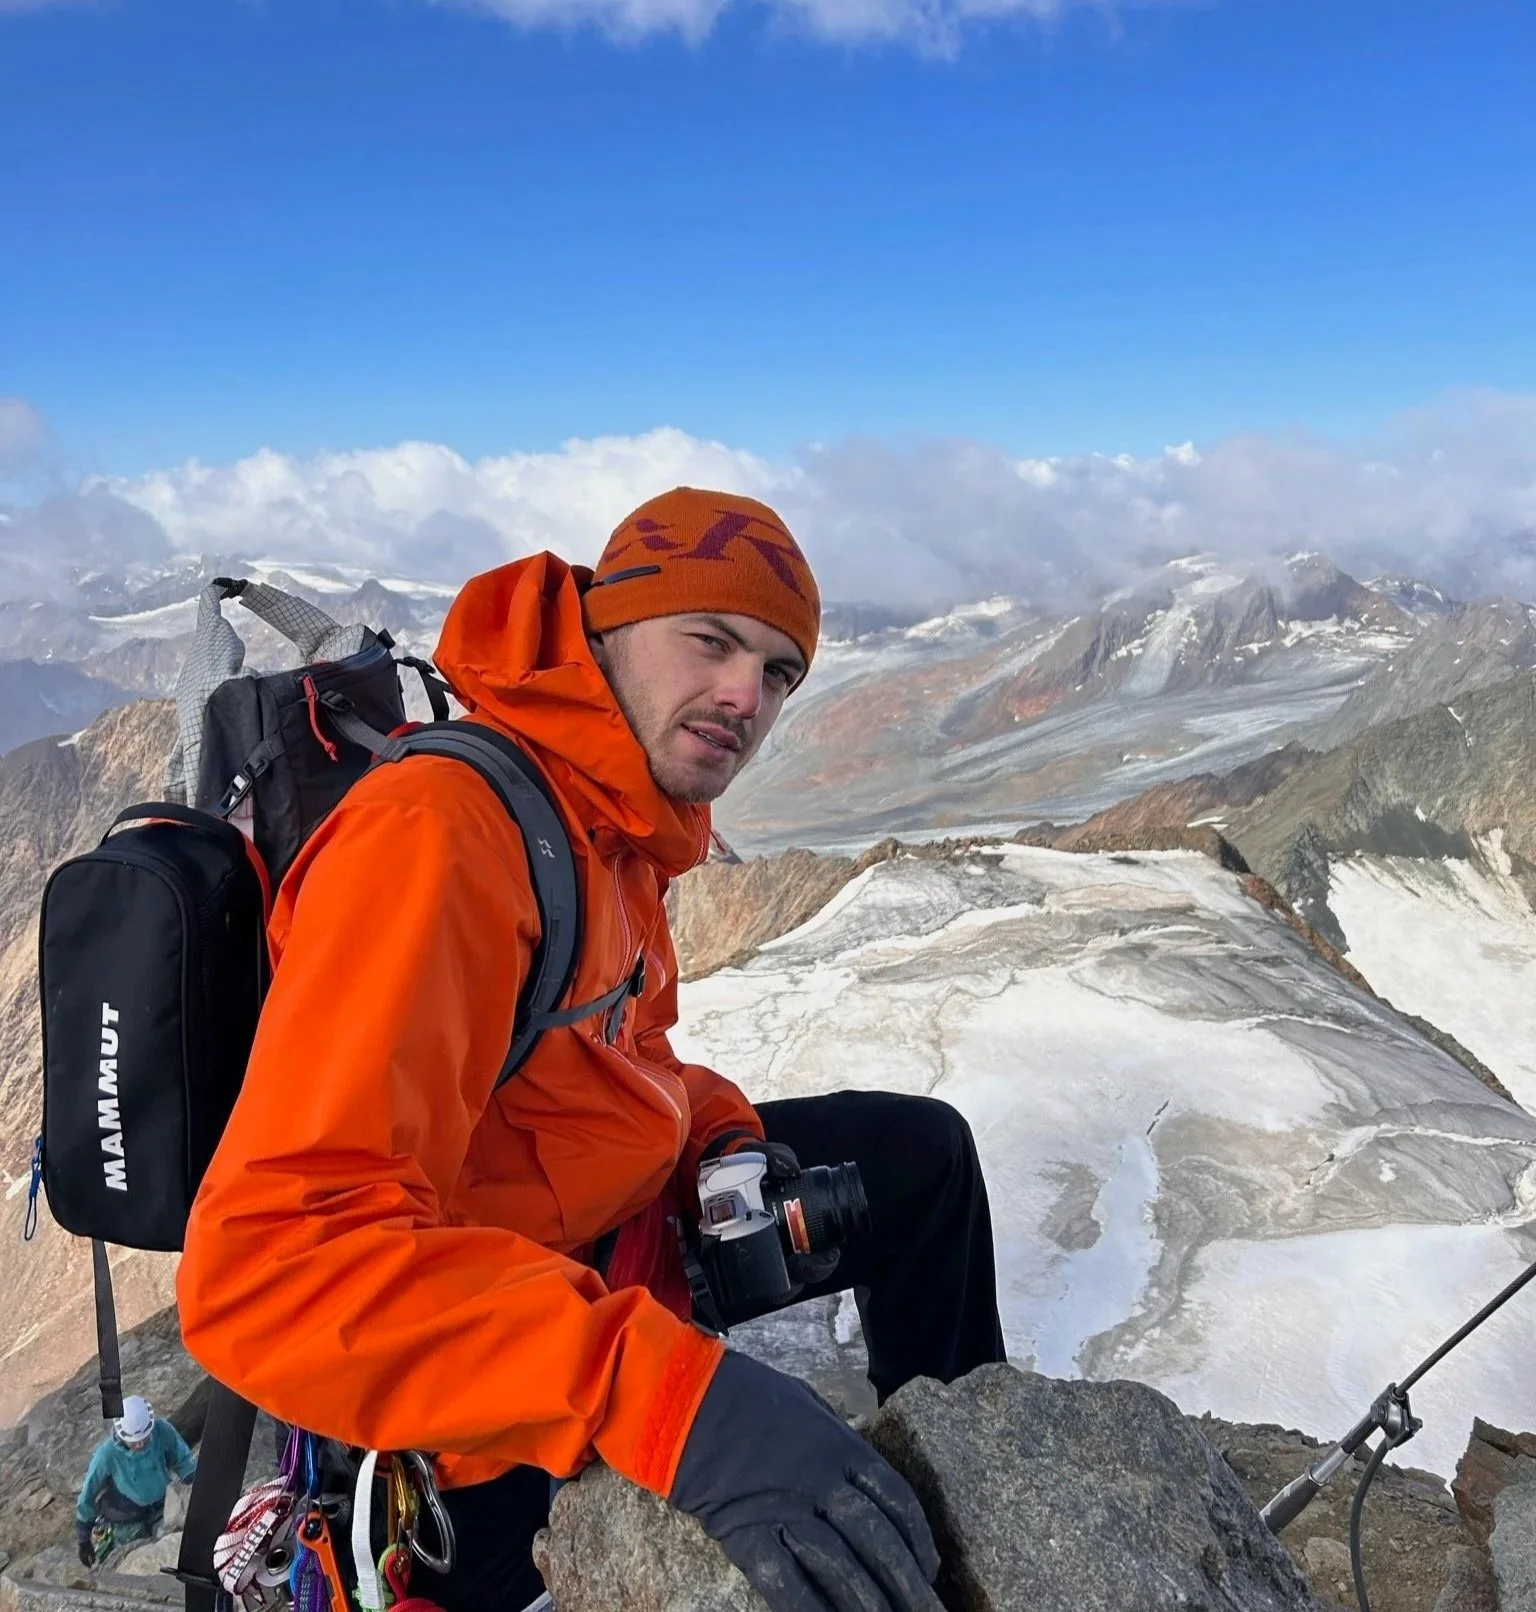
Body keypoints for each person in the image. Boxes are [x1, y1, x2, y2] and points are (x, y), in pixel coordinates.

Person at [179, 487, 1007, 1612]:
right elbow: (271, 1270)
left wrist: (724, 1140)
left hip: (605, 1244)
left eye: (778, 672)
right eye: (711, 641)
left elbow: (634, 1053)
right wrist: (676, 1407)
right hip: (475, 1410)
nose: (743, 698)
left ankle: (977, 1497)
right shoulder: (443, 839)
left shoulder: (613, 819)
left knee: (924, 1159)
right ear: (606, 623)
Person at [75, 1396, 196, 1568]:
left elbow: (184, 1460)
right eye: (133, 1441)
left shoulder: (162, 1431)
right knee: (128, 1564)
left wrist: (196, 1484)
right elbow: (88, 1494)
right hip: (126, 1523)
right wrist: (83, 1539)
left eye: (144, 1439)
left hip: (162, 1508)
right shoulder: (106, 1455)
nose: (139, 1444)